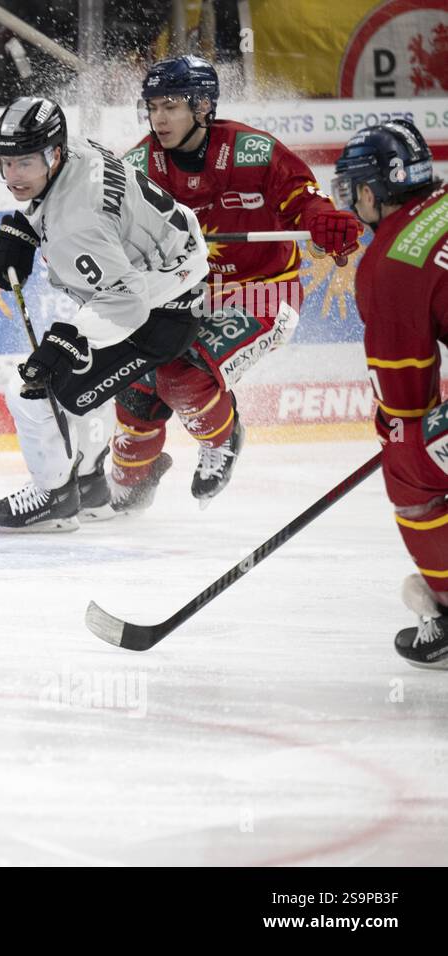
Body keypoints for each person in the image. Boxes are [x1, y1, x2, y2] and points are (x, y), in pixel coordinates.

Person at [113, 55, 361, 512]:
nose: (159, 118)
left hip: (265, 292)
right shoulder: (137, 166)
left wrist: (324, 220)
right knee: (135, 388)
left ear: (204, 105)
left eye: (170, 105)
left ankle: (223, 438)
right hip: (184, 298)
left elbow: (303, 197)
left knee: (181, 377)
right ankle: (130, 482)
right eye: (152, 107)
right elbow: (106, 229)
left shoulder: (252, 150)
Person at [0, 96, 209, 532]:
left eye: (25, 164)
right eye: (6, 163)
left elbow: (126, 302)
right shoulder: (76, 151)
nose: (13, 176)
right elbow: (79, 207)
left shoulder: (77, 224)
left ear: (53, 154)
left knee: (32, 389)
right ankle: (89, 487)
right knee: (78, 382)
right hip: (167, 281)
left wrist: (70, 338)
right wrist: (26, 227)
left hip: (158, 313)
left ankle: (54, 498)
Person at [333, 119, 447, 669]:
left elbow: (404, 402)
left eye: (353, 189)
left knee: (408, 459)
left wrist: (398, 435)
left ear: (372, 191)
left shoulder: (390, 263)